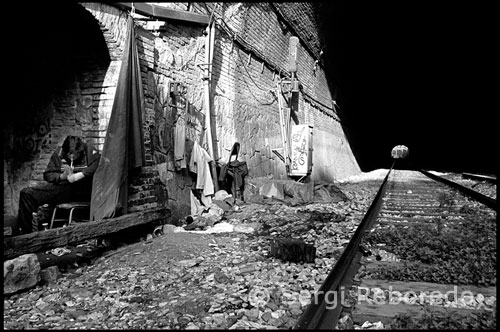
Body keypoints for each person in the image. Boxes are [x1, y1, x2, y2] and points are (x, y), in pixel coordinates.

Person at [17, 135, 101, 234]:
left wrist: (80, 175)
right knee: (27, 193)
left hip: (85, 190)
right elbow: (48, 175)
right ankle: (27, 235)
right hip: (65, 189)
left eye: (75, 154)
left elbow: (99, 163)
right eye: (69, 154)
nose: (72, 157)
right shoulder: (60, 152)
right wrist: (62, 177)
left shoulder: (88, 149)